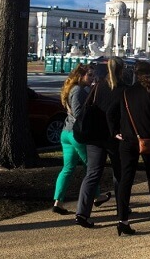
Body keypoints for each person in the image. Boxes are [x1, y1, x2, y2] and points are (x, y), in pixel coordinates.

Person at [107, 61, 150, 236]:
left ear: (134, 74)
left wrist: (114, 132)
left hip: (127, 140)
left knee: (126, 179)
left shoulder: (125, 93)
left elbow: (110, 113)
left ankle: (122, 219)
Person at [74, 58, 125, 228]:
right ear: (121, 70)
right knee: (119, 174)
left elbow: (88, 106)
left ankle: (82, 212)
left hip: (94, 136)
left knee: (93, 173)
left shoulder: (97, 87)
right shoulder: (123, 89)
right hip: (114, 137)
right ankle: (121, 208)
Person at [52, 64, 94, 219]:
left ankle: (58, 202)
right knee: (92, 167)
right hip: (75, 134)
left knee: (68, 168)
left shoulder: (74, 89)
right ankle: (96, 197)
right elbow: (78, 113)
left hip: (67, 133)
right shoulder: (77, 90)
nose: (92, 78)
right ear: (80, 76)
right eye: (90, 75)